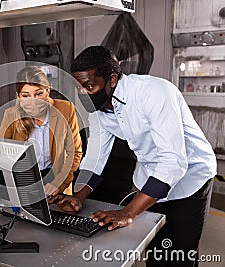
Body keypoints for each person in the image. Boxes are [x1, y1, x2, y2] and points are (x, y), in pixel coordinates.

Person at [49, 46, 216, 266]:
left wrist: (128, 212)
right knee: (156, 252)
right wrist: (78, 196)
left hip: (190, 178)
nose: (83, 94)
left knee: (178, 256)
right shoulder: (99, 107)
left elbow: (173, 163)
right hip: (150, 178)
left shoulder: (154, 93)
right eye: (78, 87)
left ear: (112, 79)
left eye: (89, 86)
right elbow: (96, 156)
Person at [0, 67, 82, 196]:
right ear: (18, 96)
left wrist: (58, 184)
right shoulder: (11, 115)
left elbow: (74, 152)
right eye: (26, 96)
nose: (33, 101)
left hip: (57, 179)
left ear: (48, 91)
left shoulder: (66, 109)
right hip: (24, 182)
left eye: (38, 94)